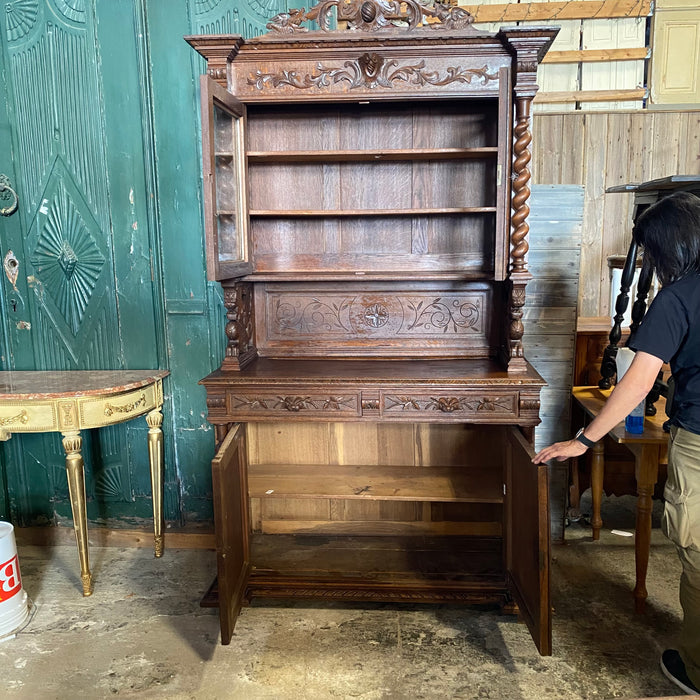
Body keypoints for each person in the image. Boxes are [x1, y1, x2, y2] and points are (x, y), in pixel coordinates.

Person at [533, 191, 700, 696]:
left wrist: (584, 439)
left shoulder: (680, 295)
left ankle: (696, 669)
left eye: (651, 253)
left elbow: (637, 383)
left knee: (699, 558)